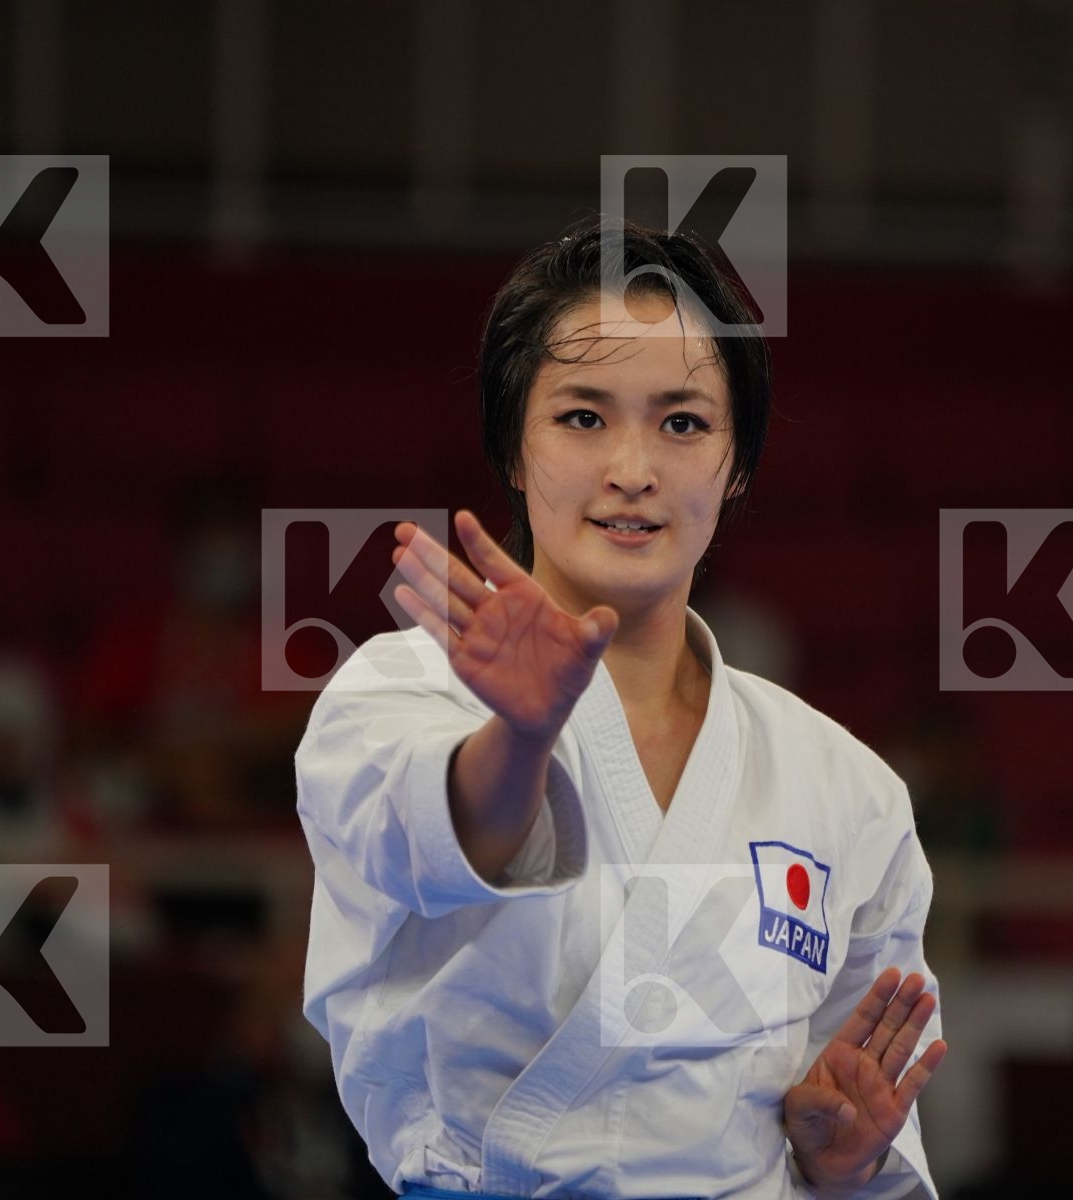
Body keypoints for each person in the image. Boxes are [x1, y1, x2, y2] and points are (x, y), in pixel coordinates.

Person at [296, 216, 948, 1200]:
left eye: (682, 422)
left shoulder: (845, 787)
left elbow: (869, 1124)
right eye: (583, 416)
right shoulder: (397, 692)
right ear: (513, 450)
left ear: (737, 469)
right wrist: (521, 733)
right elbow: (430, 845)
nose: (633, 469)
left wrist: (841, 1158)